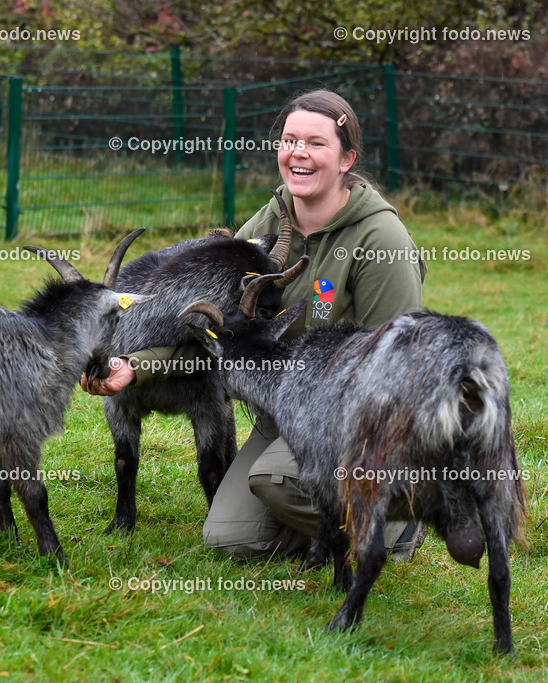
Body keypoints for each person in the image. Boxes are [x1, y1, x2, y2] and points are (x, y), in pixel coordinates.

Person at [83, 89, 428, 562]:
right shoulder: (270, 220)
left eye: (316, 143)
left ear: (347, 158)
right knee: (232, 537)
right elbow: (218, 336)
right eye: (289, 140)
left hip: (357, 419)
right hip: (282, 407)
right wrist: (133, 368)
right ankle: (333, 522)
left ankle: (399, 518)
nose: (298, 153)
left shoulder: (381, 238)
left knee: (277, 482)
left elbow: (398, 364)